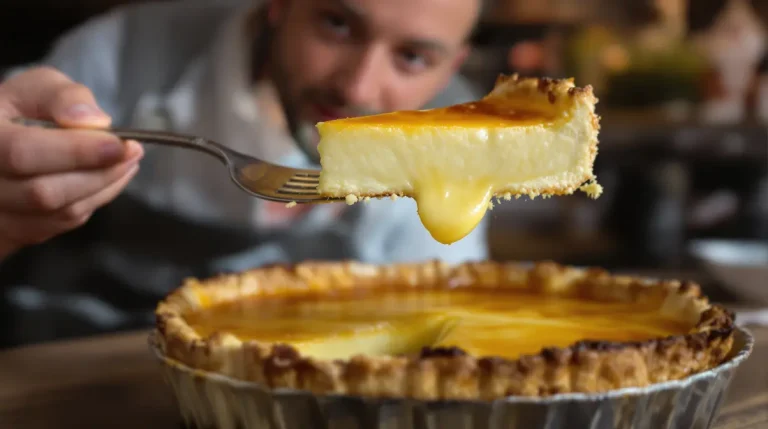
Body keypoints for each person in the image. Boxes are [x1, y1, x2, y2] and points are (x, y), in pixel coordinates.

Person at [0, 0, 490, 345]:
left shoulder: (451, 140)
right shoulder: (127, 50)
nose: (358, 87)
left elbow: (440, 323)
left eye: (411, 58)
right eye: (337, 24)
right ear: (280, 4)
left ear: (449, 69)